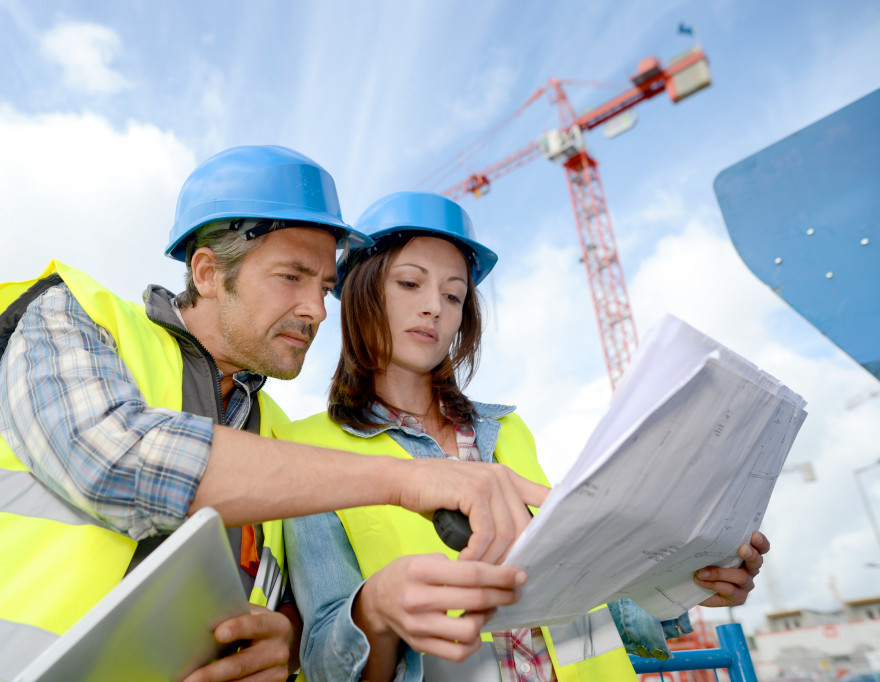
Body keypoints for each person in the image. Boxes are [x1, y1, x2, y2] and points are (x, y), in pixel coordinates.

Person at [0, 148, 548, 682]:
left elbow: (277, 616)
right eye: (291, 278)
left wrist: (278, 649)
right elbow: (117, 460)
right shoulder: (70, 313)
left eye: (325, 286)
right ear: (206, 272)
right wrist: (409, 480)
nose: (316, 310)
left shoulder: (280, 440)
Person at [278, 191, 770, 681]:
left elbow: (586, 596)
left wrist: (686, 584)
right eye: (410, 283)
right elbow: (324, 658)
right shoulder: (308, 453)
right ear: (362, 294)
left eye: (453, 295)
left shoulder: (509, 431)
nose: (434, 307)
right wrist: (377, 609)